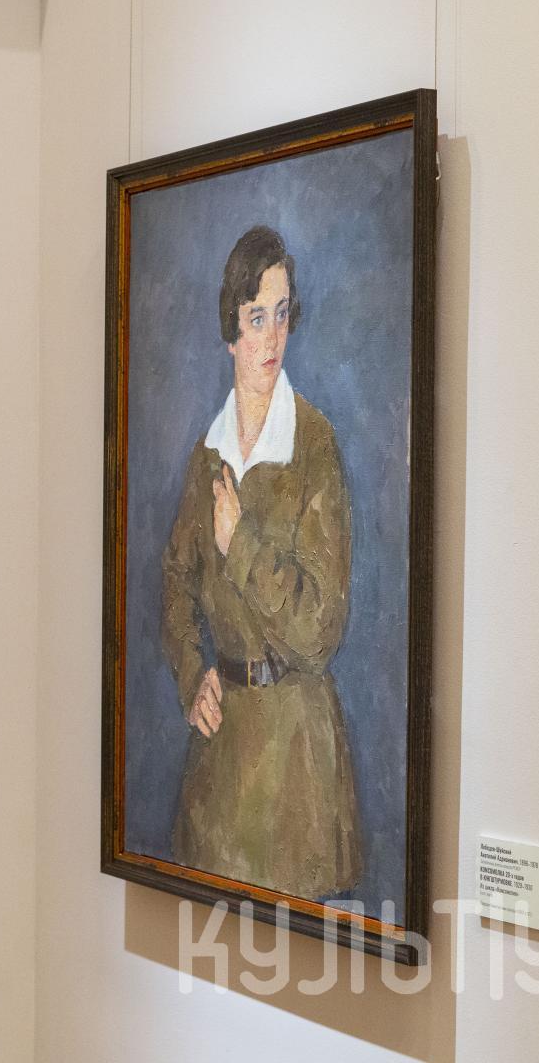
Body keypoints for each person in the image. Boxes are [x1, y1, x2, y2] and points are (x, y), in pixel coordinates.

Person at [160, 225, 361, 898]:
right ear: (230, 331)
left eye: (282, 314)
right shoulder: (206, 455)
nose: (272, 337)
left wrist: (240, 545)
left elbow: (321, 630)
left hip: (297, 758)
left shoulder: (314, 444)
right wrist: (192, 676)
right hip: (220, 760)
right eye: (255, 318)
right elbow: (175, 583)